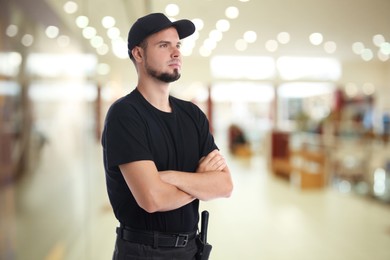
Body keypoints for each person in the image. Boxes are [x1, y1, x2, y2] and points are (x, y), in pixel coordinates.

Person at [101, 13, 233, 260]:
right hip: (143, 251)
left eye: (178, 45)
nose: (176, 53)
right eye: (164, 45)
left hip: (191, 248)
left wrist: (170, 178)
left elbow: (225, 186)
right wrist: (200, 182)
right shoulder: (125, 114)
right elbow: (152, 199)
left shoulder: (192, 114)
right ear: (138, 54)